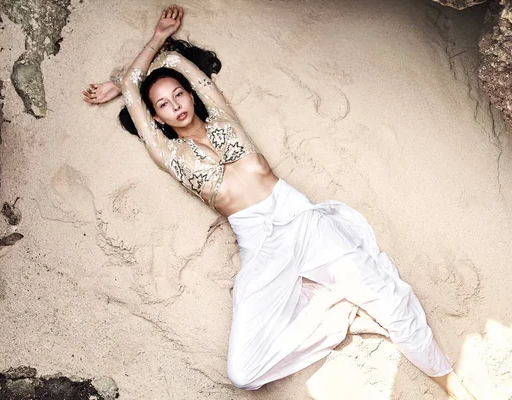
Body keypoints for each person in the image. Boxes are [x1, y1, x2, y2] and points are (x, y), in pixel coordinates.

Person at [83, 5, 476, 399]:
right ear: (157, 119)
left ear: (190, 93)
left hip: (302, 219)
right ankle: (341, 318)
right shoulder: (167, 155)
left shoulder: (222, 116)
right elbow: (136, 87)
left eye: (179, 94)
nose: (177, 106)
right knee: (243, 372)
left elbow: (174, 64)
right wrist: (133, 74)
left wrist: (160, 51)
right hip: (259, 243)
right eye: (164, 105)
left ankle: (448, 382)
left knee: (391, 300)